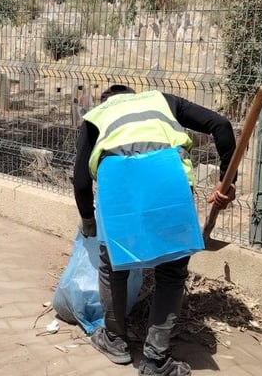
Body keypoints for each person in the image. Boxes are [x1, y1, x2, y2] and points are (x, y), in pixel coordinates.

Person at [73, 84, 237, 375]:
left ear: (106, 100)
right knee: (171, 272)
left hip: (119, 182)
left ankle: (115, 340)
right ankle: (156, 360)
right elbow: (221, 125)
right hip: (169, 177)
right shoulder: (162, 100)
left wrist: (88, 222)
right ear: (135, 96)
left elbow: (81, 180)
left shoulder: (97, 115)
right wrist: (227, 181)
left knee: (113, 267)